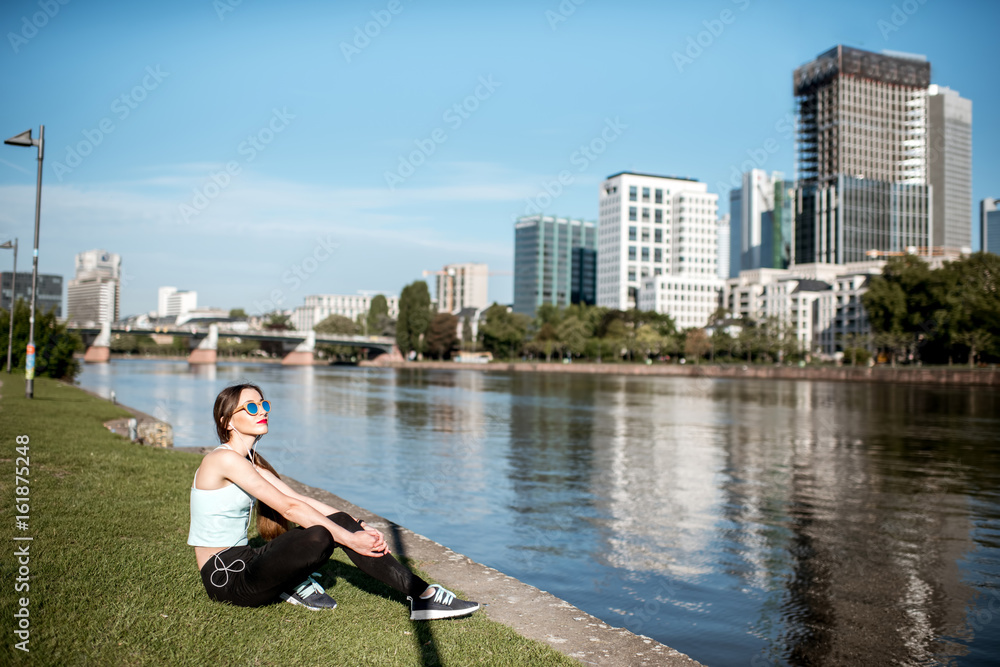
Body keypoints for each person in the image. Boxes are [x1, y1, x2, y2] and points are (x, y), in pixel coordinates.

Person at [188, 382, 479, 619]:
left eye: (264, 404)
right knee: (319, 536)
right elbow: (289, 508)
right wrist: (350, 541)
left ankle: (422, 595)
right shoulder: (223, 459)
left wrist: (358, 526)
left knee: (336, 523)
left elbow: (299, 498)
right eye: (251, 407)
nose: (261, 411)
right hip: (226, 578)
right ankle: (291, 583)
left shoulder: (252, 464)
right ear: (227, 421)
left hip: (249, 561)